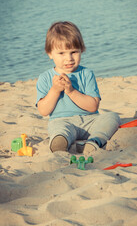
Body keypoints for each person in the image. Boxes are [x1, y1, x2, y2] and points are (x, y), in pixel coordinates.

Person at [36, 21, 121, 154]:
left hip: (90, 120)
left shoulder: (87, 74)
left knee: (112, 117)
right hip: (62, 121)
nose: (69, 58)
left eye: (74, 52)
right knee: (57, 128)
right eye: (61, 53)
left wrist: (71, 91)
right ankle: (60, 145)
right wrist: (55, 90)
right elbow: (43, 110)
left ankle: (94, 141)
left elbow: (93, 106)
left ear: (82, 50)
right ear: (50, 53)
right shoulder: (45, 78)